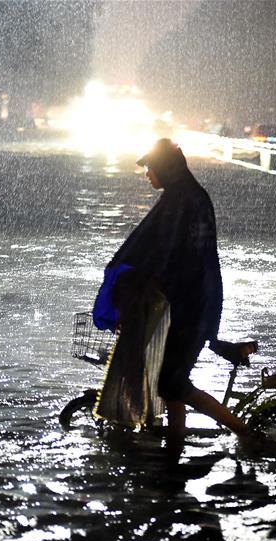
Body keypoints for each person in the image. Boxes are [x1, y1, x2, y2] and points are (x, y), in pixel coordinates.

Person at [108, 138, 249, 463]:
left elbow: (168, 254)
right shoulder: (187, 196)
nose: (147, 174)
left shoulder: (181, 202)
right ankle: (174, 450)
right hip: (195, 301)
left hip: (191, 306)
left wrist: (138, 283)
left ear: (166, 169)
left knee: (173, 383)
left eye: (150, 167)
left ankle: (244, 433)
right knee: (170, 382)